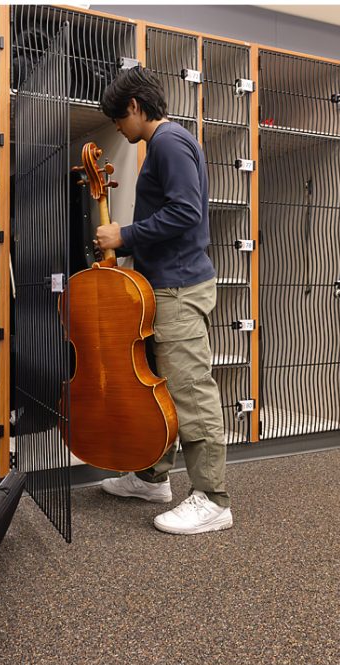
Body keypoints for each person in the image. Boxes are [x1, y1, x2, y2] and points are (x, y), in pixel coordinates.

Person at [94, 66, 232, 535]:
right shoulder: (168, 142)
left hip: (178, 288)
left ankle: (212, 499)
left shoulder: (169, 142)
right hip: (162, 287)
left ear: (134, 107)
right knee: (159, 390)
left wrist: (124, 234)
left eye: (118, 119)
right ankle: (153, 478)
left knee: (190, 391)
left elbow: (186, 212)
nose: (117, 128)